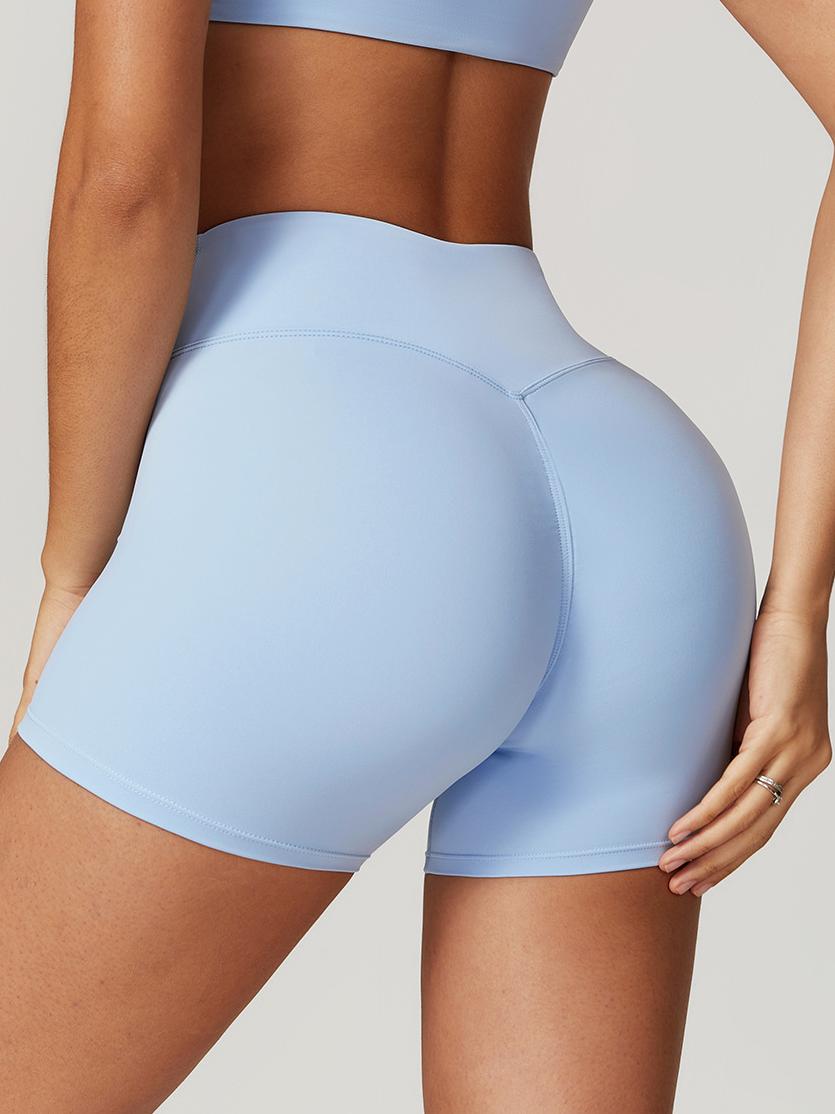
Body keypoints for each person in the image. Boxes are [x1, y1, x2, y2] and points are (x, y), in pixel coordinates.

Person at [1, 2, 832, 1111]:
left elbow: (125, 184)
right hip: (629, 498)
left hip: (319, 461)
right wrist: (796, 608)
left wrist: (74, 567)